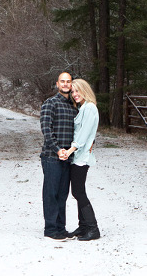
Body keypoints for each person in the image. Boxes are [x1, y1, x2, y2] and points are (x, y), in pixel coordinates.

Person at [59, 78, 100, 241]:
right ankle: (83, 227)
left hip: (81, 157)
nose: (74, 94)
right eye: (73, 91)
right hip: (79, 155)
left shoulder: (89, 108)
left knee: (78, 192)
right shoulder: (83, 108)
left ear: (85, 90)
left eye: (78, 91)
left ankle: (93, 228)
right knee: (77, 191)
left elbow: (83, 135)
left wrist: (70, 151)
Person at [40, 71, 78, 241]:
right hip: (51, 157)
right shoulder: (50, 103)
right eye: (62, 81)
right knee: (51, 193)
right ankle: (50, 228)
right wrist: (57, 150)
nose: (65, 84)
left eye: (68, 81)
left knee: (63, 194)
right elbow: (46, 130)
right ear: (57, 84)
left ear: (71, 84)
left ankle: (61, 228)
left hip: (68, 157)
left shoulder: (73, 106)